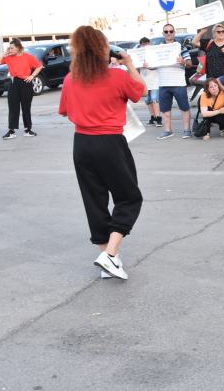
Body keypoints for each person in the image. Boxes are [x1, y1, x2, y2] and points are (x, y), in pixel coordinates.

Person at [58, 26, 146, 280]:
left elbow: (64, 111)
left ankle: (110, 259)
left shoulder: (69, 79)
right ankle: (110, 254)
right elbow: (140, 91)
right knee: (129, 197)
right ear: (101, 49)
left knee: (94, 200)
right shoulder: (116, 76)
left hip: (82, 144)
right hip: (109, 142)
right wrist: (129, 64)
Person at [0, 39, 42, 139]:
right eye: (9, 48)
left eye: (12, 48)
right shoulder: (8, 57)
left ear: (19, 48)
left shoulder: (28, 57)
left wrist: (32, 76)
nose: (10, 50)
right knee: (13, 108)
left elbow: (39, 66)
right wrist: (5, 53)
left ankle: (28, 130)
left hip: (26, 83)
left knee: (26, 108)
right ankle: (11, 131)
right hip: (14, 83)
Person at [156, 24, 194, 140]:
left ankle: (187, 130)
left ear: (174, 33)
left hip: (179, 84)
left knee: (184, 108)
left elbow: (190, 64)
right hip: (163, 83)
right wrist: (148, 65)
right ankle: (167, 131)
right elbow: (153, 65)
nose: (168, 33)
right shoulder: (158, 49)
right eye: (166, 31)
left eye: (171, 31)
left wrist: (183, 61)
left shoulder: (181, 48)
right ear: (163, 33)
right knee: (165, 109)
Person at [137, 37, 161, 127]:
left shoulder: (154, 53)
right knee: (148, 100)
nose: (144, 45)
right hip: (144, 80)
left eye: (146, 43)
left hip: (154, 80)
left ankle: (158, 118)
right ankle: (153, 117)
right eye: (142, 44)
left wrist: (148, 66)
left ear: (149, 43)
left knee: (155, 99)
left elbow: (157, 66)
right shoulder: (139, 54)